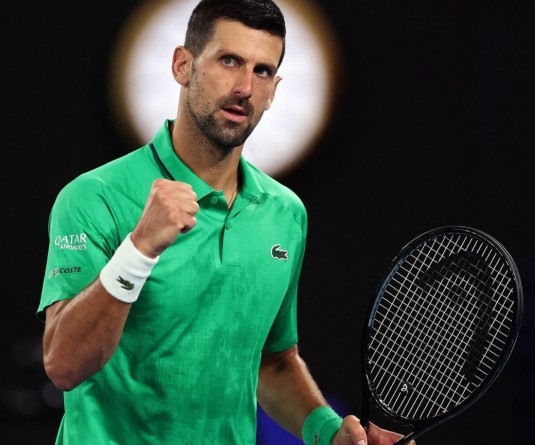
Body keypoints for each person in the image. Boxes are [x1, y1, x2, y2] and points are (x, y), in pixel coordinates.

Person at [37, 1, 412, 444]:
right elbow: (64, 366)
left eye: (262, 71)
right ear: (183, 65)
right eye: (229, 61)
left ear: (274, 91)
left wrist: (329, 433)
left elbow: (272, 361)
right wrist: (138, 250)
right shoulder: (93, 196)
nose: (245, 87)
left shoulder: (286, 214)